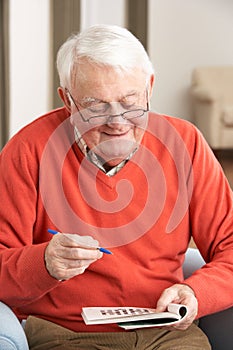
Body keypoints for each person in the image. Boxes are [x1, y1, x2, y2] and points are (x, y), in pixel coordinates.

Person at [0, 24, 232, 350]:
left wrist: (196, 293)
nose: (117, 121)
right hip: (65, 335)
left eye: (130, 101)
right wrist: (44, 263)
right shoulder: (28, 150)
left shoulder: (186, 143)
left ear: (149, 88)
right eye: (96, 106)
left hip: (168, 332)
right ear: (67, 100)